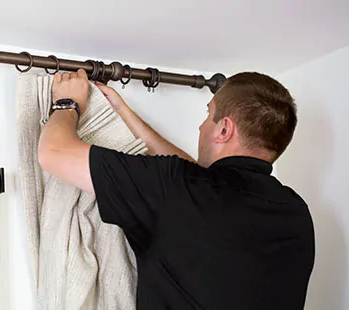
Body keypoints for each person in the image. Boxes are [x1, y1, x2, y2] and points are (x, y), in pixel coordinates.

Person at [38, 69, 315, 310]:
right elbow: (202, 182)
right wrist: (126, 116)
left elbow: (53, 152)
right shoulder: (296, 214)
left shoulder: (175, 189)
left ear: (224, 130)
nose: (201, 125)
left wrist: (67, 102)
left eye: (209, 114)